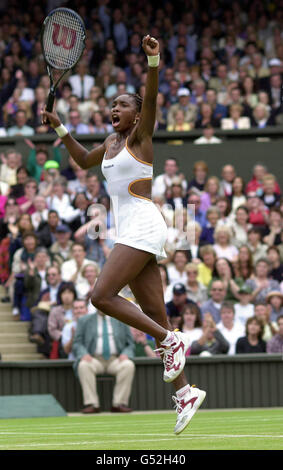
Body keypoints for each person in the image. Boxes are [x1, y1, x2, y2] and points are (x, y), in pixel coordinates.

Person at [42, 35, 205, 435]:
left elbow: (151, 101)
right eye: (112, 105)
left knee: (100, 297)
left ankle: (171, 339)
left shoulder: (141, 136)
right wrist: (60, 125)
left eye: (123, 105)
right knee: (154, 314)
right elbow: (81, 161)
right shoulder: (111, 143)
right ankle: (184, 392)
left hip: (144, 224)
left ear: (136, 115)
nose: (115, 109)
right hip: (130, 228)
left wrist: (153, 63)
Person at [72, 309, 135, 413]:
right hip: (94, 359)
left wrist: (126, 353)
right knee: (83, 365)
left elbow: (130, 344)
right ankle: (92, 404)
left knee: (129, 365)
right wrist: (83, 354)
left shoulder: (121, 319)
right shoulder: (84, 320)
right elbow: (77, 343)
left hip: (115, 359)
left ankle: (119, 404)